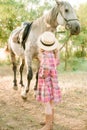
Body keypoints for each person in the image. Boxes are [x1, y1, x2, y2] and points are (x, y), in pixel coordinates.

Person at [36, 31, 61, 130]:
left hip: (46, 83)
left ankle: (48, 125)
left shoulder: (45, 57)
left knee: (47, 104)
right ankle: (50, 122)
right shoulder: (52, 54)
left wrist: (41, 75)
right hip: (52, 82)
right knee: (51, 103)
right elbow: (56, 63)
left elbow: (45, 72)